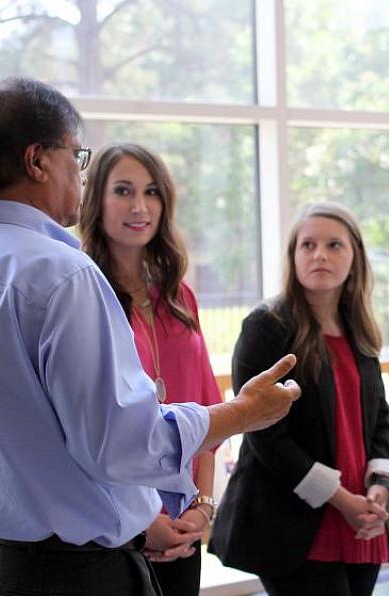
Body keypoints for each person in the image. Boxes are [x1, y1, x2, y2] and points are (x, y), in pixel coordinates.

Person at [0, 77, 300, 596]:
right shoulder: (61, 274)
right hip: (66, 575)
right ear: (38, 161)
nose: (79, 176)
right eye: (76, 158)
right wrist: (244, 414)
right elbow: (121, 444)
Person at [209, 202, 389, 596]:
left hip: (361, 517)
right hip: (292, 522)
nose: (319, 255)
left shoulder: (359, 332)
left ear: (355, 258)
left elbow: (381, 420)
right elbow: (266, 437)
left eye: (334, 245)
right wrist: (342, 499)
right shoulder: (266, 327)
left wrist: (379, 487)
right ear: (293, 256)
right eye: (308, 245)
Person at [80, 142, 221, 595]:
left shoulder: (181, 297)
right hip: (117, 529)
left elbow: (207, 414)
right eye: (123, 190)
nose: (140, 206)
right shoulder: (83, 297)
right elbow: (89, 430)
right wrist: (147, 522)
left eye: (152, 192)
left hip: (183, 527)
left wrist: (201, 507)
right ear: (95, 200)